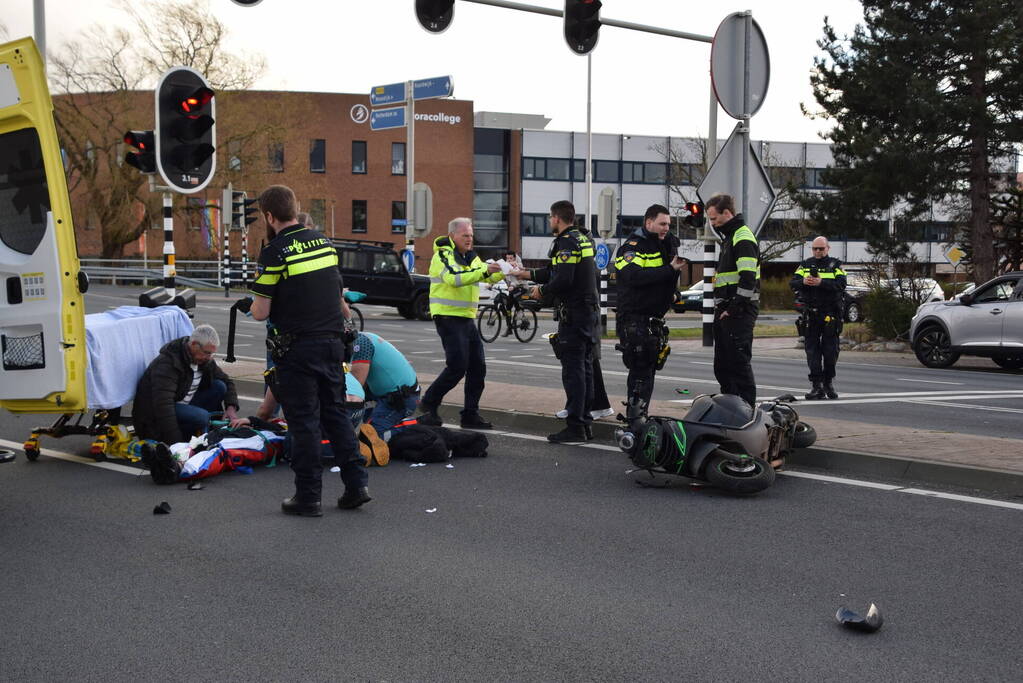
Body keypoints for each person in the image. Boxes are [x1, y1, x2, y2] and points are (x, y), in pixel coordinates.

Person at [247, 184, 368, 517]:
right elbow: (335, 295)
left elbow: (260, 312)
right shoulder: (325, 244)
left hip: (298, 349)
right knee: (336, 416)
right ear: (295, 208)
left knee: (304, 424)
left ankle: (308, 497)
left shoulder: (274, 252)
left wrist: (256, 296)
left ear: (269, 216)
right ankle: (357, 485)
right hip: (332, 345)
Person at [521, 200, 599, 444]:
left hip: (574, 314)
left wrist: (541, 291)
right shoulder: (583, 239)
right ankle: (585, 423)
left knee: (574, 371)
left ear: (557, 218)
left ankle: (575, 426)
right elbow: (556, 270)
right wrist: (524, 273)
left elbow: (563, 279)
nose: (549, 222)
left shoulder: (565, 242)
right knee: (585, 369)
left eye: (550, 218)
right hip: (588, 312)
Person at [417, 217, 505, 429]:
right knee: (457, 366)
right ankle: (428, 404)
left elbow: (485, 277)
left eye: (471, 236)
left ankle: (470, 415)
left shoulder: (471, 257)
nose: (469, 239)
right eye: (465, 235)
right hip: (448, 317)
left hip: (466, 317)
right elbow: (454, 278)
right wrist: (485, 271)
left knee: (478, 367)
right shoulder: (443, 256)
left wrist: (504, 270)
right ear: (452, 236)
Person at [613, 203, 686, 408]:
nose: (666, 228)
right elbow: (633, 277)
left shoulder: (662, 245)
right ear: (648, 222)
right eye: (662, 223)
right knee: (640, 373)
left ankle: (640, 418)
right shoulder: (632, 247)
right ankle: (635, 421)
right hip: (636, 319)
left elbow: (662, 281)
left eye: (668, 224)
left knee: (648, 372)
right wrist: (670, 270)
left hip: (653, 322)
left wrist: (672, 294)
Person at [133, 324, 240, 445]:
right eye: (207, 353)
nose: (209, 358)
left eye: (212, 354)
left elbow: (227, 381)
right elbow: (163, 407)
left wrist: (231, 407)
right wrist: (176, 444)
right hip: (154, 419)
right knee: (202, 416)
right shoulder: (168, 364)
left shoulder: (204, 359)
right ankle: (195, 438)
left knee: (220, 386)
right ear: (194, 344)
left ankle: (210, 435)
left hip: (182, 405)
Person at [705, 194, 760, 409]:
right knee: (723, 365)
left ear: (727, 213)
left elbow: (748, 279)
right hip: (727, 311)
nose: (712, 223)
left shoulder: (742, 237)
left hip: (739, 313)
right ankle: (731, 409)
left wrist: (734, 309)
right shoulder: (729, 238)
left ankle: (746, 411)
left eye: (714, 218)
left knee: (738, 364)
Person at [791, 236, 847, 399]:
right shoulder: (806, 264)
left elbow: (841, 285)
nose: (817, 251)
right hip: (811, 314)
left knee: (830, 351)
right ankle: (817, 386)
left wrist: (821, 282)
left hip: (830, 314)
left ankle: (828, 383)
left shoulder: (835, 265)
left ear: (827, 248)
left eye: (821, 249)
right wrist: (804, 282)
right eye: (815, 248)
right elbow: (793, 283)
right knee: (812, 351)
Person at [348, 331, 420, 438]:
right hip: (387, 393)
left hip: (400, 398)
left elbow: (356, 383)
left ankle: (418, 423)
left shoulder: (360, 343)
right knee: (363, 428)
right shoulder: (358, 338)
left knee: (372, 437)